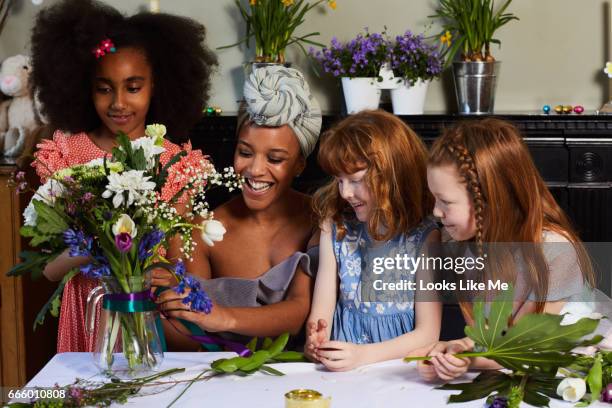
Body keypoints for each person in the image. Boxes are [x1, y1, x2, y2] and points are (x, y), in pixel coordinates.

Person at [29, 0, 217, 352]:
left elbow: (184, 267)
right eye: (104, 88)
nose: (118, 103)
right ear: (83, 88)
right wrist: (102, 243)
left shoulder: (176, 163)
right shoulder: (67, 156)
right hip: (87, 313)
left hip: (146, 316)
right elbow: (51, 271)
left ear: (157, 86)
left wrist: (167, 275)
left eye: (133, 87)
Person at [155, 65, 322, 350]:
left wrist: (223, 317)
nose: (255, 169)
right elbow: (189, 338)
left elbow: (298, 313)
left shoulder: (319, 220)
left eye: (276, 158)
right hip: (222, 377)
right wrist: (145, 297)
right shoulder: (199, 230)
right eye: (245, 152)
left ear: (299, 165)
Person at [418, 118, 597, 381]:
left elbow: (527, 346)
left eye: (445, 201)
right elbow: (491, 338)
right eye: (434, 198)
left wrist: (469, 359)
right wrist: (457, 350)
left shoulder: (555, 252)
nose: (435, 211)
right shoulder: (463, 247)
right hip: (510, 369)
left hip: (563, 371)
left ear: (492, 201)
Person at [304, 110, 442, 371]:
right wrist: (315, 340)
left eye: (355, 180)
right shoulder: (334, 228)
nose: (345, 192)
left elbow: (427, 334)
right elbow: (321, 313)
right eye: (339, 180)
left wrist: (362, 356)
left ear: (392, 175)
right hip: (342, 370)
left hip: (398, 372)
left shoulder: (424, 238)